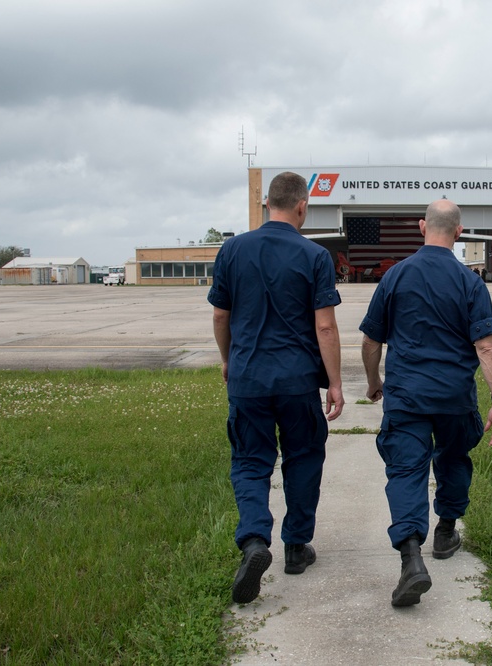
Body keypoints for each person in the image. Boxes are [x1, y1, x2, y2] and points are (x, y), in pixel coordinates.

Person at [359, 199, 492, 607]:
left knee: (405, 470)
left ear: (423, 227)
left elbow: (372, 340)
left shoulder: (395, 276)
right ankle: (445, 531)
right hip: (454, 397)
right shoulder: (470, 282)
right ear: (459, 233)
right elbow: (487, 347)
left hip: (406, 397)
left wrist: (375, 382)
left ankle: (411, 559)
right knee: (454, 458)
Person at [208, 171, 344, 604]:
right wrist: (336, 382)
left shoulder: (232, 249)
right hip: (297, 381)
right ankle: (296, 548)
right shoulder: (315, 255)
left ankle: (253, 541)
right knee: (303, 458)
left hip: (248, 378)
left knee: (250, 461)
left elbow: (219, 316)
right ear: (302, 207)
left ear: (267, 204)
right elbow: (325, 325)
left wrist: (229, 360)